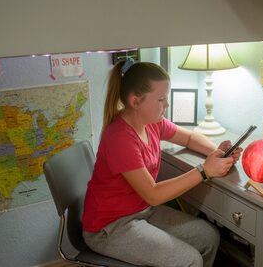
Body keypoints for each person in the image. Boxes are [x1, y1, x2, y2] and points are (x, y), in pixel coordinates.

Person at [82, 58, 242, 267]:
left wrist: (217, 152)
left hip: (141, 210)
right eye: (161, 99)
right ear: (135, 101)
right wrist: (204, 171)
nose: (167, 104)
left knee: (208, 237)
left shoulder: (152, 123)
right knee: (190, 260)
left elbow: (189, 138)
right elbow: (154, 194)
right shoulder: (119, 138)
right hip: (111, 227)